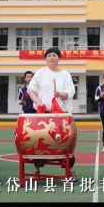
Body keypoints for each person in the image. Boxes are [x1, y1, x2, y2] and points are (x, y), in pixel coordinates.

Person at [27, 48, 77, 181]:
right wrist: (38, 103)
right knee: (40, 142)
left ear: (59, 58)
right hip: (44, 114)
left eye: (54, 55)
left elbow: (69, 94)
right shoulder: (40, 73)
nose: (51, 57)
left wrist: (59, 94)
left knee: (66, 143)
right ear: (45, 58)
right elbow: (31, 90)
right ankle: (37, 169)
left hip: (61, 116)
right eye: (48, 55)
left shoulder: (65, 74)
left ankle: (70, 170)